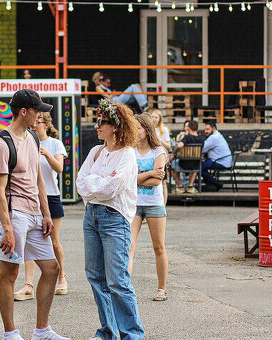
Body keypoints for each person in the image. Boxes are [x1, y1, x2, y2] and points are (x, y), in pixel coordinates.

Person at [0, 89, 69, 340]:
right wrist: (7, 228)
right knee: (9, 274)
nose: (41, 116)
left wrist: (45, 214)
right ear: (24, 111)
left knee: (52, 268)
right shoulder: (2, 144)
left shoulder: (34, 139)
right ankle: (10, 333)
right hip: (14, 216)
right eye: (38, 111)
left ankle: (42, 330)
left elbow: (38, 181)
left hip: (35, 214)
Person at [76, 99, 145, 340]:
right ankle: (108, 331)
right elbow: (80, 184)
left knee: (117, 281)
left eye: (101, 122)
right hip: (91, 215)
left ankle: (132, 334)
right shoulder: (96, 152)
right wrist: (98, 184)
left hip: (114, 218)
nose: (96, 126)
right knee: (95, 277)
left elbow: (112, 189)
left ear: (115, 126)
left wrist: (94, 183)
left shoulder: (127, 155)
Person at [13, 111, 68, 301]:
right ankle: (28, 285)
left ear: (46, 124)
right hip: (31, 196)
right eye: (35, 121)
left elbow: (60, 169)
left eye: (40, 121)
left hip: (51, 195)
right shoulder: (27, 140)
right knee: (29, 243)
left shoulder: (54, 144)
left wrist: (45, 154)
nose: (35, 124)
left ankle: (62, 277)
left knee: (53, 241)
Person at [128, 113, 168, 302]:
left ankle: (161, 288)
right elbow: (127, 179)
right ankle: (125, 287)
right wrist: (150, 172)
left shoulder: (158, 151)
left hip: (153, 204)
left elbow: (156, 182)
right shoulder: (129, 151)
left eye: (138, 128)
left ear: (146, 130)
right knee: (129, 246)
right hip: (133, 204)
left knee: (158, 246)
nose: (135, 131)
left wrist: (140, 176)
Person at [171, 120, 204, 194]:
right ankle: (190, 186)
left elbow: (179, 145)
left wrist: (174, 154)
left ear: (188, 129)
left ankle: (180, 186)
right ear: (197, 129)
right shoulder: (202, 139)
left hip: (183, 164)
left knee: (172, 165)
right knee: (197, 162)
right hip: (195, 165)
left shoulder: (187, 138)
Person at [201, 122, 232, 192]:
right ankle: (211, 185)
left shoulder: (213, 137)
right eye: (205, 129)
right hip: (223, 161)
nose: (205, 131)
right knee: (201, 166)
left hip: (221, 162)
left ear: (214, 128)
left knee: (199, 167)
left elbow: (202, 149)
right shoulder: (218, 135)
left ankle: (215, 183)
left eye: (207, 129)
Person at [150, 109, 171, 204]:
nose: (154, 119)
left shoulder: (164, 130)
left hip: (161, 156)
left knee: (163, 181)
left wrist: (160, 140)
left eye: (156, 117)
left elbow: (169, 146)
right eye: (152, 117)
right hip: (150, 157)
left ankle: (164, 204)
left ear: (160, 119)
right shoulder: (148, 129)